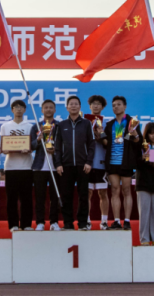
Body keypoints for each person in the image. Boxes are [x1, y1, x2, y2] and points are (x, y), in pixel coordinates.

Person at [53, 96, 96, 231]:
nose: (73, 106)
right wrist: (58, 164)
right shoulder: (61, 125)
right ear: (67, 107)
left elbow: (91, 144)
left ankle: (82, 222)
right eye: (71, 104)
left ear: (80, 107)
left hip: (83, 165)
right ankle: (68, 223)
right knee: (66, 195)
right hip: (65, 166)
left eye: (76, 104)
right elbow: (57, 147)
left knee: (83, 195)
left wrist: (89, 162)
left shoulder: (87, 124)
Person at [102, 96, 140, 230]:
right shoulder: (109, 125)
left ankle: (127, 220)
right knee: (114, 190)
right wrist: (99, 134)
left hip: (126, 162)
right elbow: (106, 143)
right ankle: (117, 220)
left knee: (126, 190)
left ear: (125, 106)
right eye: (113, 105)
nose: (116, 107)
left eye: (118, 104)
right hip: (112, 162)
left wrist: (135, 134)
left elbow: (137, 142)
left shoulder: (132, 122)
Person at [0, 99, 34, 231]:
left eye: (21, 107)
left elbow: (33, 145)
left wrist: (29, 148)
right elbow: (3, 146)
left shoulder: (30, 126)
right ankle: (13, 224)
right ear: (12, 110)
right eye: (16, 107)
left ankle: (26, 224)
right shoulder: (5, 126)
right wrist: (5, 149)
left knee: (26, 198)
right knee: (11, 198)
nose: (18, 109)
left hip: (27, 166)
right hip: (11, 167)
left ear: (25, 110)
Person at [31, 100, 62, 231]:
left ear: (55, 110)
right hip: (39, 166)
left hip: (56, 166)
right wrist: (39, 139)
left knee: (55, 196)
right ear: (42, 110)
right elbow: (31, 146)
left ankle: (54, 222)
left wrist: (56, 150)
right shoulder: (36, 126)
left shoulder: (60, 126)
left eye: (51, 107)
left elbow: (64, 145)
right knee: (40, 196)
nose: (48, 109)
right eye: (46, 108)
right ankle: (40, 222)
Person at [136, 122, 154, 245]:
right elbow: (135, 164)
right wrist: (142, 158)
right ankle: (144, 239)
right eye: (151, 133)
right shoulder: (141, 146)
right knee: (144, 213)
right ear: (146, 134)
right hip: (143, 184)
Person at [86, 95, 110, 229]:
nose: (96, 106)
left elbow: (110, 143)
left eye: (98, 104)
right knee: (87, 193)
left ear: (102, 107)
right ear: (90, 106)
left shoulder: (107, 123)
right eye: (93, 104)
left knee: (103, 193)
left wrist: (101, 136)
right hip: (87, 163)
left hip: (101, 163)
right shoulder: (84, 122)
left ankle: (104, 221)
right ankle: (87, 220)